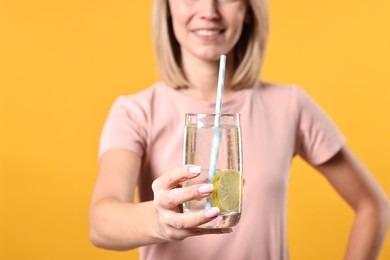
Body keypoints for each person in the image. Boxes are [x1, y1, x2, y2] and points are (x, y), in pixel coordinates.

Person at [88, 0, 390, 259]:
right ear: (167, 8)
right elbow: (101, 222)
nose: (209, 10)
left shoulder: (290, 105)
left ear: (248, 9)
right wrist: (159, 219)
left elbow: (373, 206)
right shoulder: (135, 111)